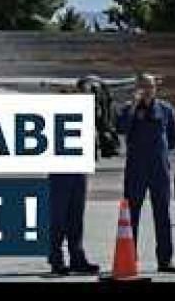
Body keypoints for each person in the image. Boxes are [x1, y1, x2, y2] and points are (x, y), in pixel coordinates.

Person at [116, 73, 175, 273]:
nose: (147, 90)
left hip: (159, 169)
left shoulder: (166, 109)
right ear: (137, 88)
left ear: (155, 88)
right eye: (143, 86)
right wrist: (134, 107)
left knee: (162, 214)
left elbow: (172, 140)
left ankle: (165, 260)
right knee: (131, 214)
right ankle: (129, 258)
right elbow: (121, 128)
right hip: (136, 168)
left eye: (150, 86)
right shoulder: (129, 109)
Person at [47, 78, 100, 276]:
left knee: (76, 218)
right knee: (58, 218)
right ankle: (56, 259)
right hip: (60, 171)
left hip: (79, 171)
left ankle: (77, 257)